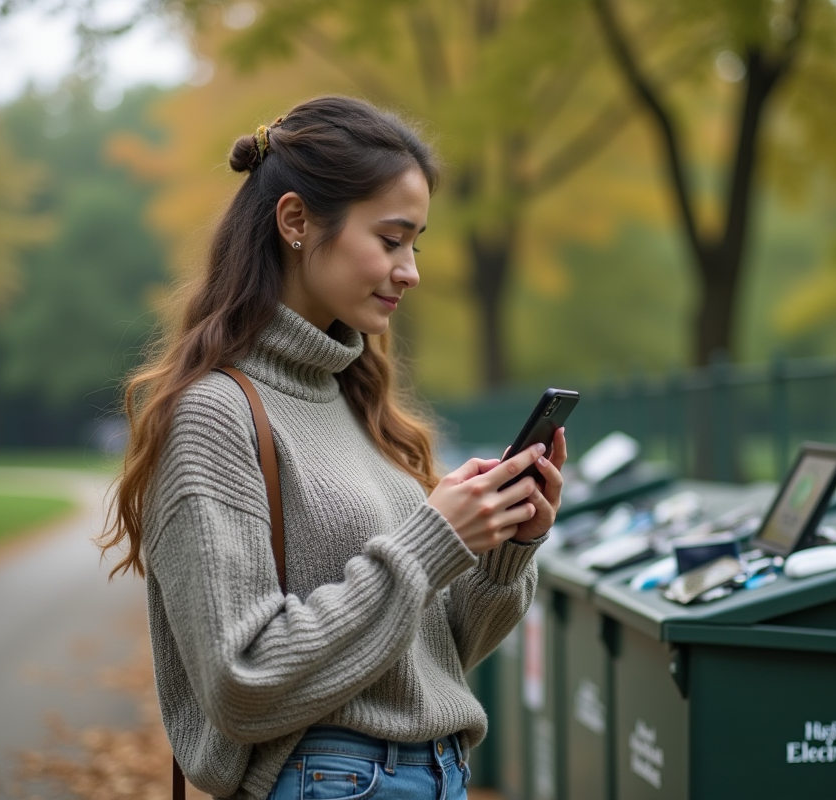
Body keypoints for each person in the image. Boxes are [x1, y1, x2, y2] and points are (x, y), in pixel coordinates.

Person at [99, 95, 567, 800]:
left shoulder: (361, 405)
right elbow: (241, 683)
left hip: (437, 773)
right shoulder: (213, 416)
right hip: (331, 781)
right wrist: (429, 542)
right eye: (391, 239)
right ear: (296, 221)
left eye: (416, 244)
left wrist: (505, 547)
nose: (410, 270)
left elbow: (426, 658)